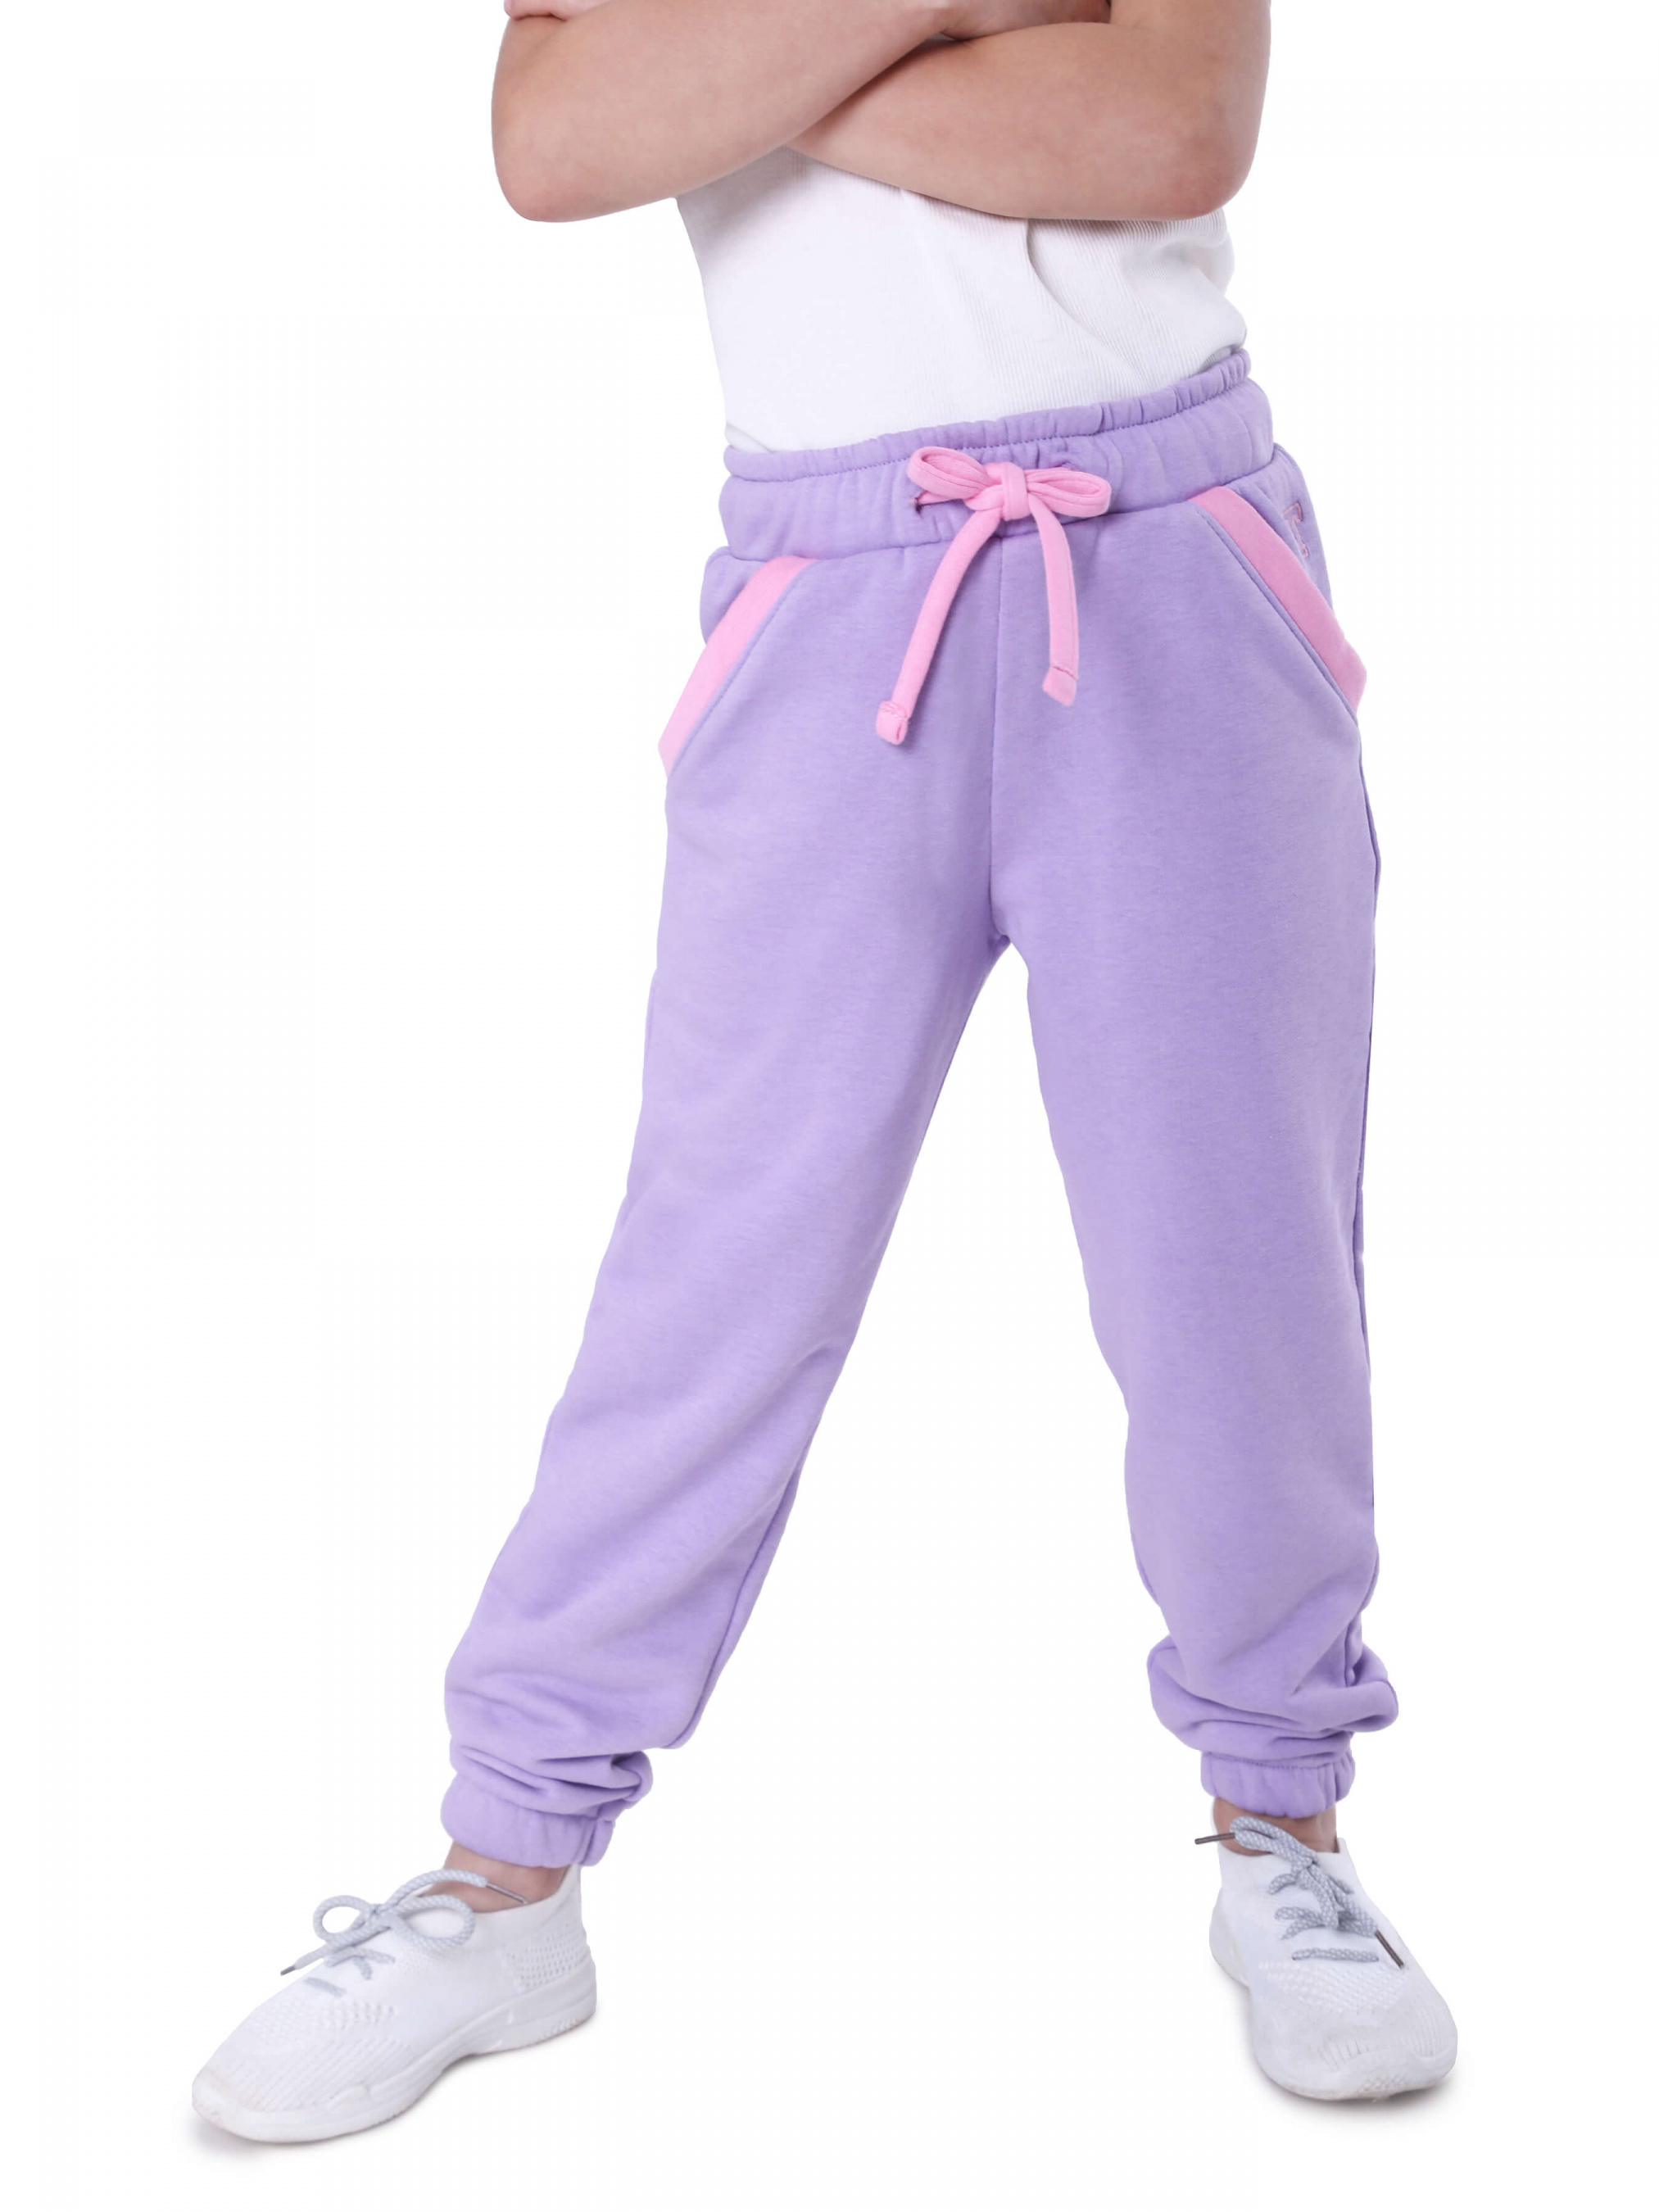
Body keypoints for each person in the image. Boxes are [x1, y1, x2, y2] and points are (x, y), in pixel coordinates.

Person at [193, 0, 1457, 2140]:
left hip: (1170, 556)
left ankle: (1284, 1826)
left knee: (1231, 1253)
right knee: (718, 1263)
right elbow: (559, 138)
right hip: (827, 597)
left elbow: (1168, 129)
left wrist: (751, 73)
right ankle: (508, 1869)